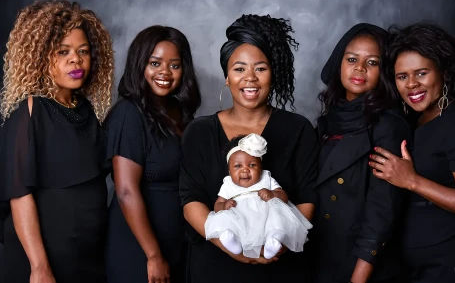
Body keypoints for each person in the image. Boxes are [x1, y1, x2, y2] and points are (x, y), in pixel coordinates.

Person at [179, 14, 318, 283]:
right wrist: (230, 247)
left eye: (261, 68)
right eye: (239, 69)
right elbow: (190, 198)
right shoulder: (199, 131)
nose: (250, 78)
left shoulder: (298, 129)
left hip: (281, 266)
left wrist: (276, 248)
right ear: (227, 77)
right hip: (215, 264)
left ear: (273, 74)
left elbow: (307, 196)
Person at [370, 23, 455, 283]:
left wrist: (411, 180)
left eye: (422, 73)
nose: (412, 84)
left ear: (444, 71)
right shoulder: (418, 120)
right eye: (402, 76)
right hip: (422, 268)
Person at [0, 0, 113, 283]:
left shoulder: (87, 110)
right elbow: (19, 194)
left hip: (88, 254)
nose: (75, 60)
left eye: (83, 51)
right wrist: (39, 267)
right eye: (63, 52)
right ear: (40, 57)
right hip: (45, 257)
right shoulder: (30, 111)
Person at [312, 23, 411, 283]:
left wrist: (358, 279)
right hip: (321, 255)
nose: (360, 68)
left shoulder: (388, 125)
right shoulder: (328, 121)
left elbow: (383, 212)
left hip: (361, 265)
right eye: (352, 59)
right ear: (339, 63)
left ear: (385, 71)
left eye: (373, 62)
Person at [105, 25, 201, 283]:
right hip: (139, 249)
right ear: (140, 65)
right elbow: (126, 191)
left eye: (174, 65)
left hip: (176, 244)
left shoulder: (179, 114)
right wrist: (154, 256)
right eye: (155, 63)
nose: (165, 73)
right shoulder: (129, 114)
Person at [205, 133, 313, 259]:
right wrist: (224, 205)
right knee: (224, 219)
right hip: (240, 220)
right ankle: (230, 238)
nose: (245, 170)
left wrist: (272, 194)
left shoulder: (266, 179)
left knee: (277, 218)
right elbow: (217, 205)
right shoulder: (228, 185)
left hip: (265, 216)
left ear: (260, 168)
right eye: (238, 166)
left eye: (252, 165)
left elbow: (283, 197)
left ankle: (274, 238)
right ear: (229, 171)